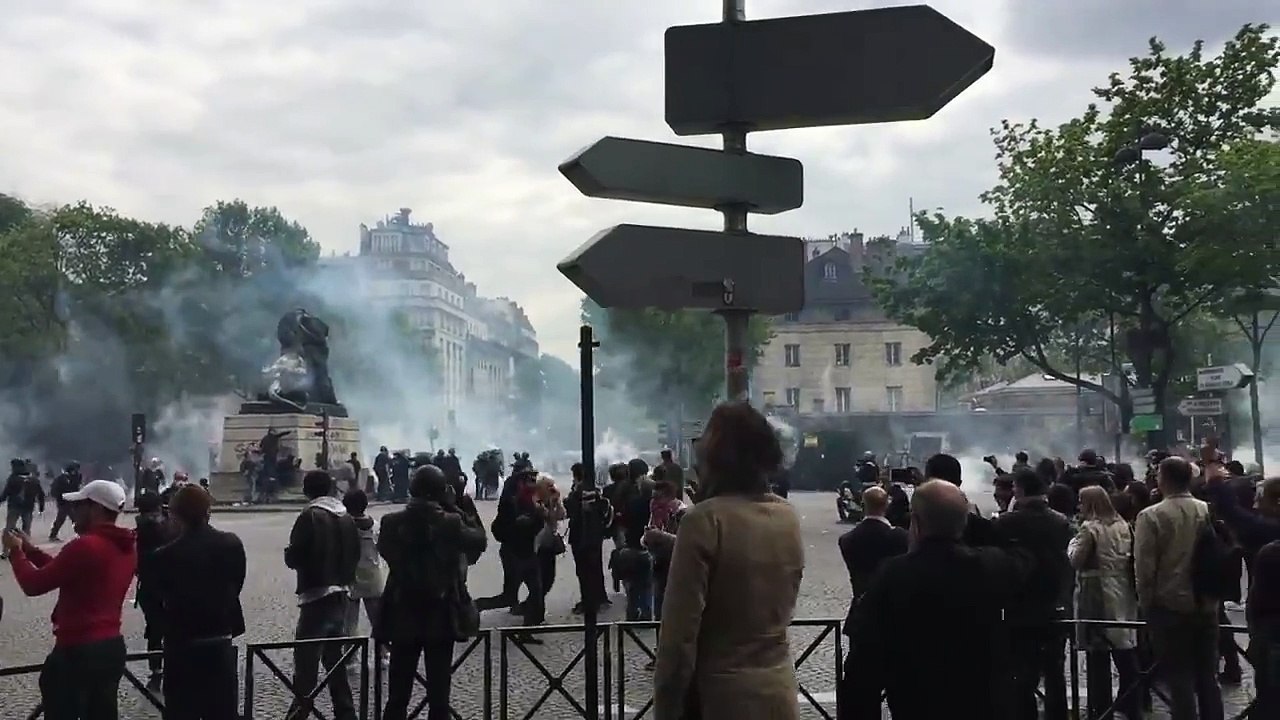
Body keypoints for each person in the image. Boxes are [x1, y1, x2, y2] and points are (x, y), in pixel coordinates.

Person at [653, 401, 804, 720]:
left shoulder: (703, 521)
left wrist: (667, 707)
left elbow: (678, 639)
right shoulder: (787, 517)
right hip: (779, 693)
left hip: (721, 699)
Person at [842, 480, 1033, 720]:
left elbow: (864, 664)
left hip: (918, 704)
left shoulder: (894, 575)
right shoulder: (993, 566)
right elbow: (1024, 555)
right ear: (964, 522)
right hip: (985, 705)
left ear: (916, 523)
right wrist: (969, 521)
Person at [3, 479, 136, 720]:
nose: (72, 512)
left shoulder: (85, 546)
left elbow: (34, 584)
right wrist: (31, 551)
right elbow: (65, 569)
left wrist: (15, 552)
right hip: (111, 648)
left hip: (77, 650)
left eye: (78, 506)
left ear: (95, 509)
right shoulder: (125, 545)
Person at [376, 464, 486, 720]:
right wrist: (456, 507)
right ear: (441, 491)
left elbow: (387, 552)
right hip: (441, 613)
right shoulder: (451, 522)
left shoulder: (391, 522)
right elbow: (479, 540)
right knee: (439, 694)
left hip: (402, 611)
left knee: (397, 694)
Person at [1134, 457, 1223, 720]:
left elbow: (1145, 569)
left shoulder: (1151, 516)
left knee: (1179, 677)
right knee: (1208, 676)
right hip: (1206, 603)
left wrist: (1145, 605)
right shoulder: (1206, 510)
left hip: (1169, 606)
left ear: (1163, 479)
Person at [150, 485, 246, 720]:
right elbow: (236, 583)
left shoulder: (165, 555)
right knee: (222, 712)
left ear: (175, 515)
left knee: (181, 711)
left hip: (182, 644)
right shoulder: (231, 543)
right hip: (220, 639)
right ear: (207, 511)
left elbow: (156, 600)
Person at [994, 468, 1072, 720]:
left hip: (1021, 606)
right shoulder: (1060, 521)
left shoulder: (1007, 522)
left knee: (1021, 673)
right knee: (1055, 670)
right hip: (1055, 603)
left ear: (1021, 490)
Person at [283, 470, 361, 720]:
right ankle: (346, 714)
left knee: (306, 665)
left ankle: (298, 715)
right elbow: (356, 552)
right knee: (335, 664)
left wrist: (289, 554)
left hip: (316, 595)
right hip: (341, 594)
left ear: (306, 490)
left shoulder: (310, 516)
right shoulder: (346, 516)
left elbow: (296, 556)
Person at [1068, 486, 1141, 720]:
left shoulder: (1089, 528)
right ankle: (1133, 705)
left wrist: (1071, 544)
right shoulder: (1123, 525)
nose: (1079, 506)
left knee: (1097, 654)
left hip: (1095, 593)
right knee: (1123, 648)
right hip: (1121, 589)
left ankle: (1100, 710)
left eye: (1082, 502)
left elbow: (1076, 559)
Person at [837, 486, 908, 637]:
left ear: (863, 505)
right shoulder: (900, 537)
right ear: (887, 505)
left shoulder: (847, 540)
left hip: (860, 614)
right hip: (893, 614)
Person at [134, 491, 174, 692]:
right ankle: (168, 668)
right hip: (167, 587)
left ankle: (156, 670)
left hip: (148, 588)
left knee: (155, 630)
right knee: (170, 629)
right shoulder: (165, 529)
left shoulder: (139, 531)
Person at [342, 489, 386, 655]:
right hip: (373, 575)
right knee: (378, 621)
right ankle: (384, 655)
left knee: (349, 623)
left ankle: (350, 656)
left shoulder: (344, 526)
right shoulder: (375, 525)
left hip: (350, 576)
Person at [566, 462, 612, 615]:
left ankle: (589, 601)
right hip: (595, 535)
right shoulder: (595, 491)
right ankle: (599, 597)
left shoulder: (578, 493)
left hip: (581, 536)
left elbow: (570, 510)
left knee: (584, 571)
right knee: (595, 568)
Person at [2, 458, 45, 556]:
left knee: (9, 528)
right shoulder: (33, 479)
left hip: (14, 507)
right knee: (26, 529)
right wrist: (41, 508)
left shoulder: (13, 479)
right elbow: (41, 494)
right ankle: (25, 550)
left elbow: (6, 493)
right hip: (28, 507)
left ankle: (6, 551)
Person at [48, 462, 83, 542]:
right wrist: (60, 497)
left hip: (73, 500)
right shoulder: (61, 478)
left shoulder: (77, 477)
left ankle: (82, 534)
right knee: (62, 519)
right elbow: (55, 490)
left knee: (75, 519)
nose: (76, 471)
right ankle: (53, 535)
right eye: (74, 469)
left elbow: (77, 488)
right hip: (63, 501)